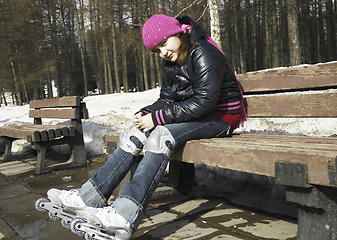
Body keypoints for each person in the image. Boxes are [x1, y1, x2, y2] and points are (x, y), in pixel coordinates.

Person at [41, 14, 247, 239]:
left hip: (221, 117)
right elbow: (167, 98)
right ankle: (88, 197)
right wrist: (147, 113)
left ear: (177, 33)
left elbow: (204, 103)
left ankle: (123, 217)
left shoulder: (205, 53)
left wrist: (157, 119)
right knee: (134, 135)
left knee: (160, 135)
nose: (163, 52)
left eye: (164, 43)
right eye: (157, 50)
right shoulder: (170, 62)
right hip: (198, 113)